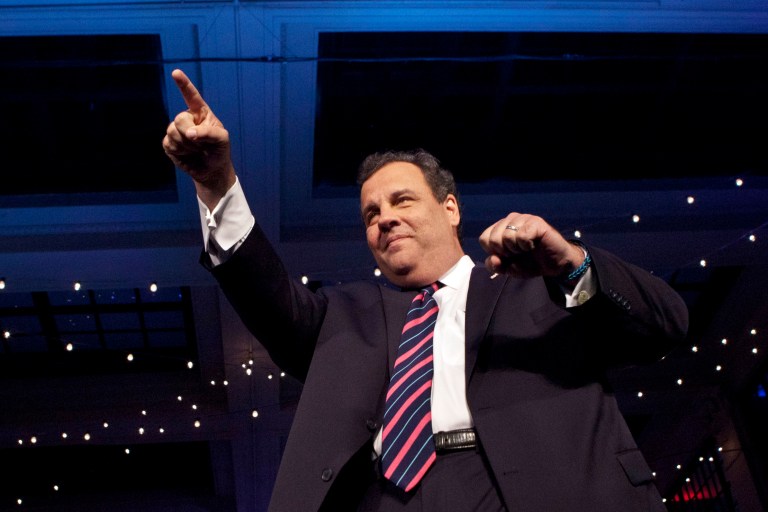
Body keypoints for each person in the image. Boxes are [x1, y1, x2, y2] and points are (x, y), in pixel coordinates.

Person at [163, 68, 688, 512]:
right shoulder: (341, 317)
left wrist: (571, 264)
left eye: (402, 201)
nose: (385, 219)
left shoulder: (542, 286)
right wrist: (216, 183)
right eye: (372, 214)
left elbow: (665, 326)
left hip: (534, 490)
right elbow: (264, 291)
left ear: (450, 208)